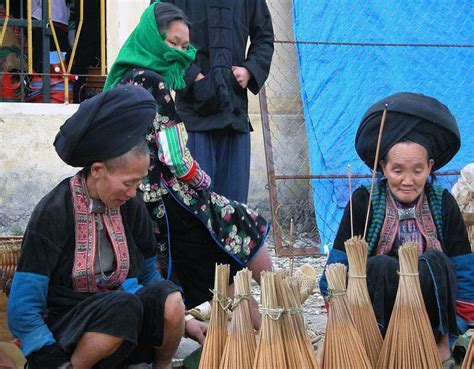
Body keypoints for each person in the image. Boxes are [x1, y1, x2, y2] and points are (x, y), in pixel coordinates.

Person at [104, 2, 272, 342]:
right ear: (154, 39)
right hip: (166, 199)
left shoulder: (124, 77)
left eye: (186, 47)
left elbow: (264, 35)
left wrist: (249, 70)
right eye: (174, 45)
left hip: (146, 200)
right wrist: (203, 184)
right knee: (241, 224)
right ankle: (277, 320)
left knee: (215, 250)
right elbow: (176, 158)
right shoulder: (155, 84)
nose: (182, 53)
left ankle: (243, 330)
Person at [7, 85, 185, 369]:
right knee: (123, 308)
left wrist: (176, 321)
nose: (133, 192)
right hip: (68, 323)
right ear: (98, 171)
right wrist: (44, 354)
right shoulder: (53, 212)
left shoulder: (132, 205)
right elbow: (23, 306)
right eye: (128, 183)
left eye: (138, 182)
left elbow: (150, 273)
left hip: (123, 315)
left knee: (170, 297)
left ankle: (161, 366)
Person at [319, 92, 473, 368]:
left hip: (432, 314)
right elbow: (337, 267)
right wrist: (341, 313)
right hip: (379, 312)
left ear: (430, 167)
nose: (407, 180)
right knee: (378, 266)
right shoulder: (364, 201)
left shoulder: (442, 202)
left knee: (436, 262)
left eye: (417, 170)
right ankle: (379, 347)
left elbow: (464, 267)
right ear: (383, 167)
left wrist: (458, 323)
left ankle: (439, 348)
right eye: (397, 170)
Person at [156, 0, 274, 203]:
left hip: (234, 115)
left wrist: (249, 69)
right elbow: (156, 33)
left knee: (235, 209)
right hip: (193, 116)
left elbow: (264, 36)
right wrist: (192, 76)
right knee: (197, 205)